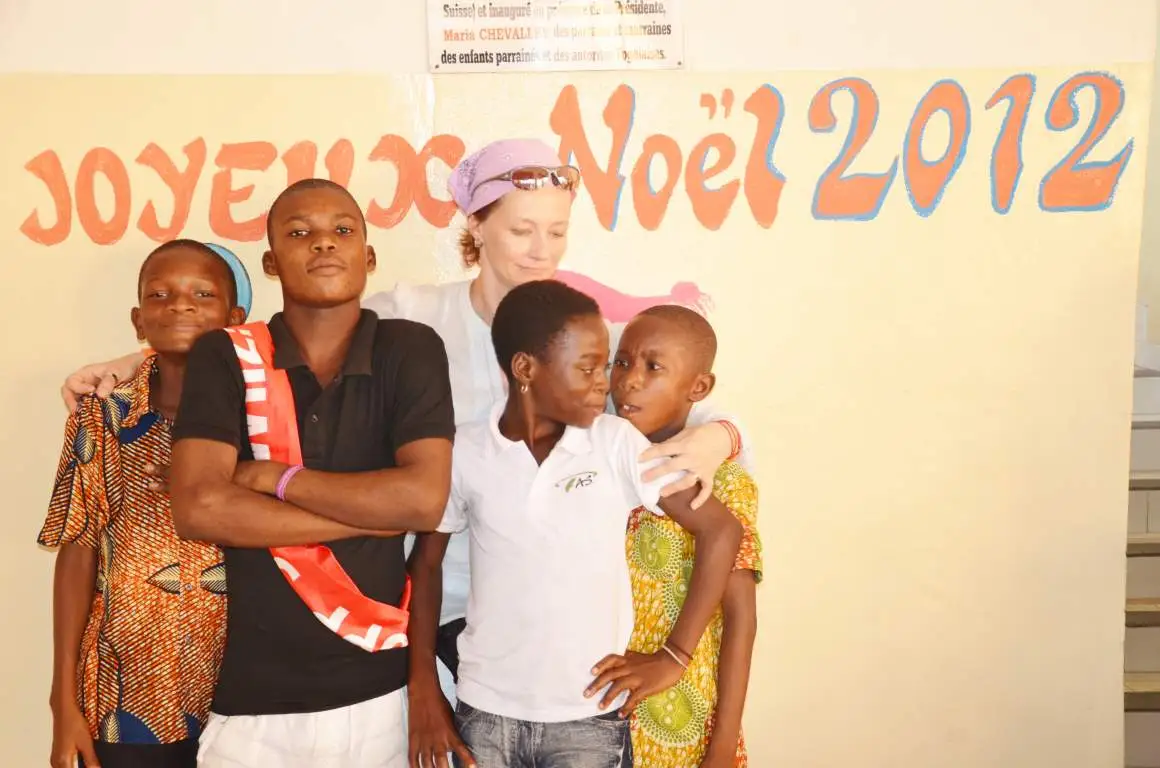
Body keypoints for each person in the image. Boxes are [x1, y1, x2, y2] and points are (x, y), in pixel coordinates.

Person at [55, 139, 753, 756]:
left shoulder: (585, 330)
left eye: (556, 232)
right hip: (436, 624)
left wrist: (722, 433)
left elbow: (672, 387)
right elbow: (301, 322)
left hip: (555, 649)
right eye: (521, 230)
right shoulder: (416, 312)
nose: (540, 250)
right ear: (476, 227)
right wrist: (145, 358)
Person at [168, 179, 455, 768]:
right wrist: (366, 520)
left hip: (382, 698)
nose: (323, 243)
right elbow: (200, 508)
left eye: (341, 230)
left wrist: (276, 479)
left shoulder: (410, 347)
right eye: (300, 233)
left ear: (367, 257)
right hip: (254, 709)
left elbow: (423, 500)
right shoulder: (225, 355)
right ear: (271, 262)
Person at [425, 279, 742, 768]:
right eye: (588, 367)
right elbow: (425, 568)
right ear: (525, 369)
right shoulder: (465, 451)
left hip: (588, 715)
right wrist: (425, 687)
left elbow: (722, 530)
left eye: (604, 365)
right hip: (485, 712)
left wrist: (675, 656)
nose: (606, 383)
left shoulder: (614, 442)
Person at [39, 239, 247, 768]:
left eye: (202, 294)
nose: (180, 305)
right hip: (123, 691)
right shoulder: (101, 416)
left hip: (241, 689)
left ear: (236, 319)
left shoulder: (259, 419)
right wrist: (63, 699)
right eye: (160, 294)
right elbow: (78, 550)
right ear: (138, 319)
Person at [611, 305, 762, 767]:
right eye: (622, 362)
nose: (630, 380)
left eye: (653, 367)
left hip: (685, 723)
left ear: (699, 388)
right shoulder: (598, 464)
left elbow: (741, 619)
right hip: (599, 717)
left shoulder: (723, 482)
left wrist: (722, 748)